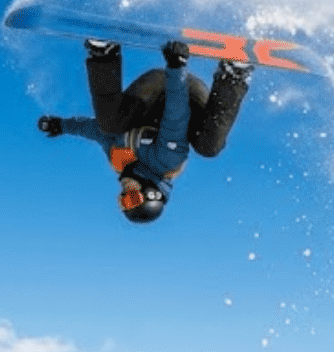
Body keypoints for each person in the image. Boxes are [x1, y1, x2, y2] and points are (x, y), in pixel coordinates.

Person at [37, 38, 252, 223]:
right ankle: (233, 74)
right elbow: (175, 115)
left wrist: (62, 125)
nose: (124, 193)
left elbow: (93, 129)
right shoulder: (167, 161)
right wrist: (176, 68)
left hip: (151, 91)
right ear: (152, 194)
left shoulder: (120, 157)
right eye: (132, 198)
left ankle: (104, 54)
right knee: (209, 147)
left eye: (123, 200)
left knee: (110, 125)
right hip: (187, 94)